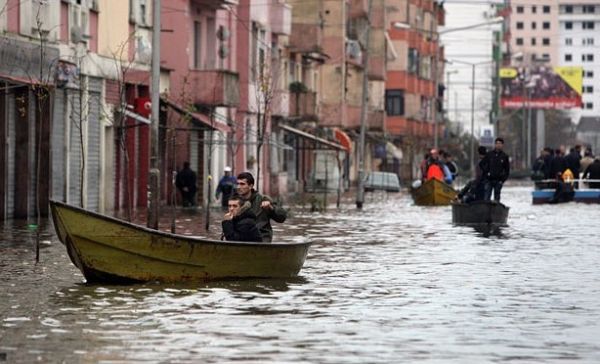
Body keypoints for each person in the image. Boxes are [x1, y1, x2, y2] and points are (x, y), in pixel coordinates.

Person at [235, 172, 287, 242]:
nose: (238, 187)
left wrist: (271, 208)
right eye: (237, 184)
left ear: (250, 186)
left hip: (262, 239)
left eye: (242, 184)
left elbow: (282, 217)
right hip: (241, 239)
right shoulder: (234, 201)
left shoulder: (263, 199)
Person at [484, 137, 510, 202]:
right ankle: (485, 209)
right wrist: (486, 176)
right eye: (497, 143)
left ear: (502, 145)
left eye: (500, 144)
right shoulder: (489, 154)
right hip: (489, 180)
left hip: (498, 180)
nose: (498, 145)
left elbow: (507, 170)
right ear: (495, 144)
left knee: (497, 197)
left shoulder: (504, 156)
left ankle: (496, 210)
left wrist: (502, 180)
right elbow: (484, 166)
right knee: (487, 196)